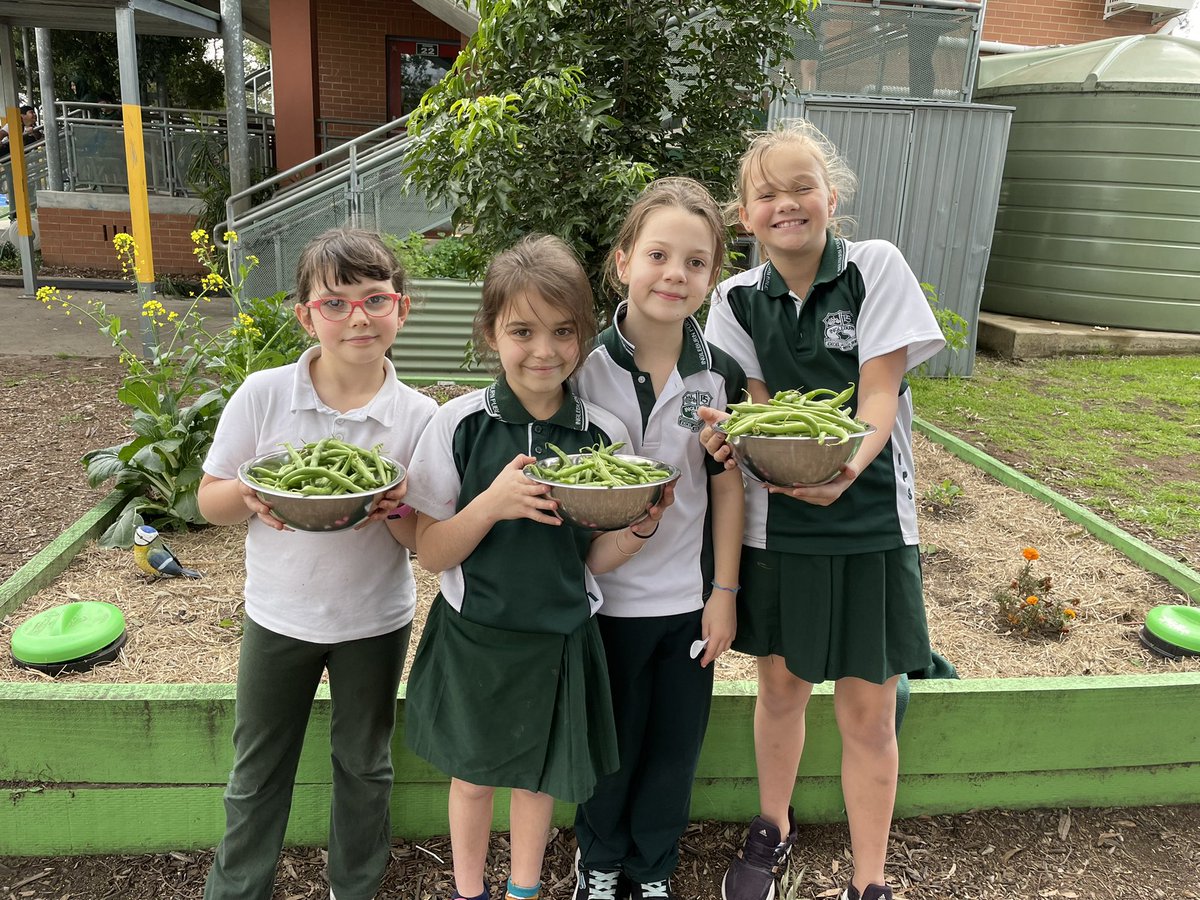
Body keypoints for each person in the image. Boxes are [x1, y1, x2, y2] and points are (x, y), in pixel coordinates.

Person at [699, 120, 946, 900]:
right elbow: (759, 413)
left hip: (871, 520)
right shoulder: (735, 299)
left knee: (868, 710)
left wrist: (843, 470)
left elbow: (878, 394)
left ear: (831, 199)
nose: (787, 203)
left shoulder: (876, 267)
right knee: (780, 690)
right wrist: (732, 437)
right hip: (779, 525)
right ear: (746, 215)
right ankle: (772, 828)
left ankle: (870, 877)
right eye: (767, 194)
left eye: (803, 187)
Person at [402, 233, 675, 900]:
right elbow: (431, 552)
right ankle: (470, 892)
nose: (544, 350)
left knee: (537, 782)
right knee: (472, 780)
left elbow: (595, 558)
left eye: (562, 331)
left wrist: (640, 527)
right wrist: (492, 504)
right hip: (477, 633)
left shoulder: (604, 434)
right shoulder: (459, 424)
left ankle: (523, 891)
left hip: (561, 636)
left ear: (583, 334)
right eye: (521, 331)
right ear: (490, 333)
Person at [198, 227, 437, 900]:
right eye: (335, 303)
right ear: (307, 316)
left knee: (365, 765)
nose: (358, 317)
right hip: (278, 618)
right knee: (257, 768)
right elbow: (210, 500)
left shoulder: (419, 416)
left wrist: (394, 506)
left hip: (374, 621)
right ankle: (237, 890)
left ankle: (352, 888)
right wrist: (250, 495)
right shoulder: (264, 394)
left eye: (375, 298)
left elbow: (420, 538)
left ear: (401, 308)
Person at [570, 177, 746, 900]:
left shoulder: (719, 374)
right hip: (602, 601)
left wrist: (724, 591)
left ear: (712, 276)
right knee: (608, 749)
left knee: (674, 752)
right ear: (623, 262)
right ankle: (598, 864)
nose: (675, 274)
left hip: (685, 603)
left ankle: (651, 872)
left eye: (696, 262)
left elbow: (727, 486)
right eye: (658, 255)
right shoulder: (581, 368)